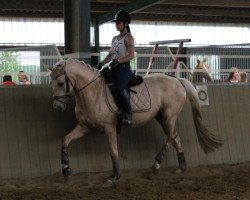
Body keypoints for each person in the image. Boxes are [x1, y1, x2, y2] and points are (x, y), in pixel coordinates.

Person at [97, 10, 135, 126]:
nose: (116, 24)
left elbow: (131, 55)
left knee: (119, 88)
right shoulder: (114, 39)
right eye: (116, 23)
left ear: (126, 24)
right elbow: (110, 55)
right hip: (114, 68)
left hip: (124, 69)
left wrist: (118, 61)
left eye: (118, 23)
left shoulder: (129, 38)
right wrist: (102, 63)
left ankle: (128, 115)